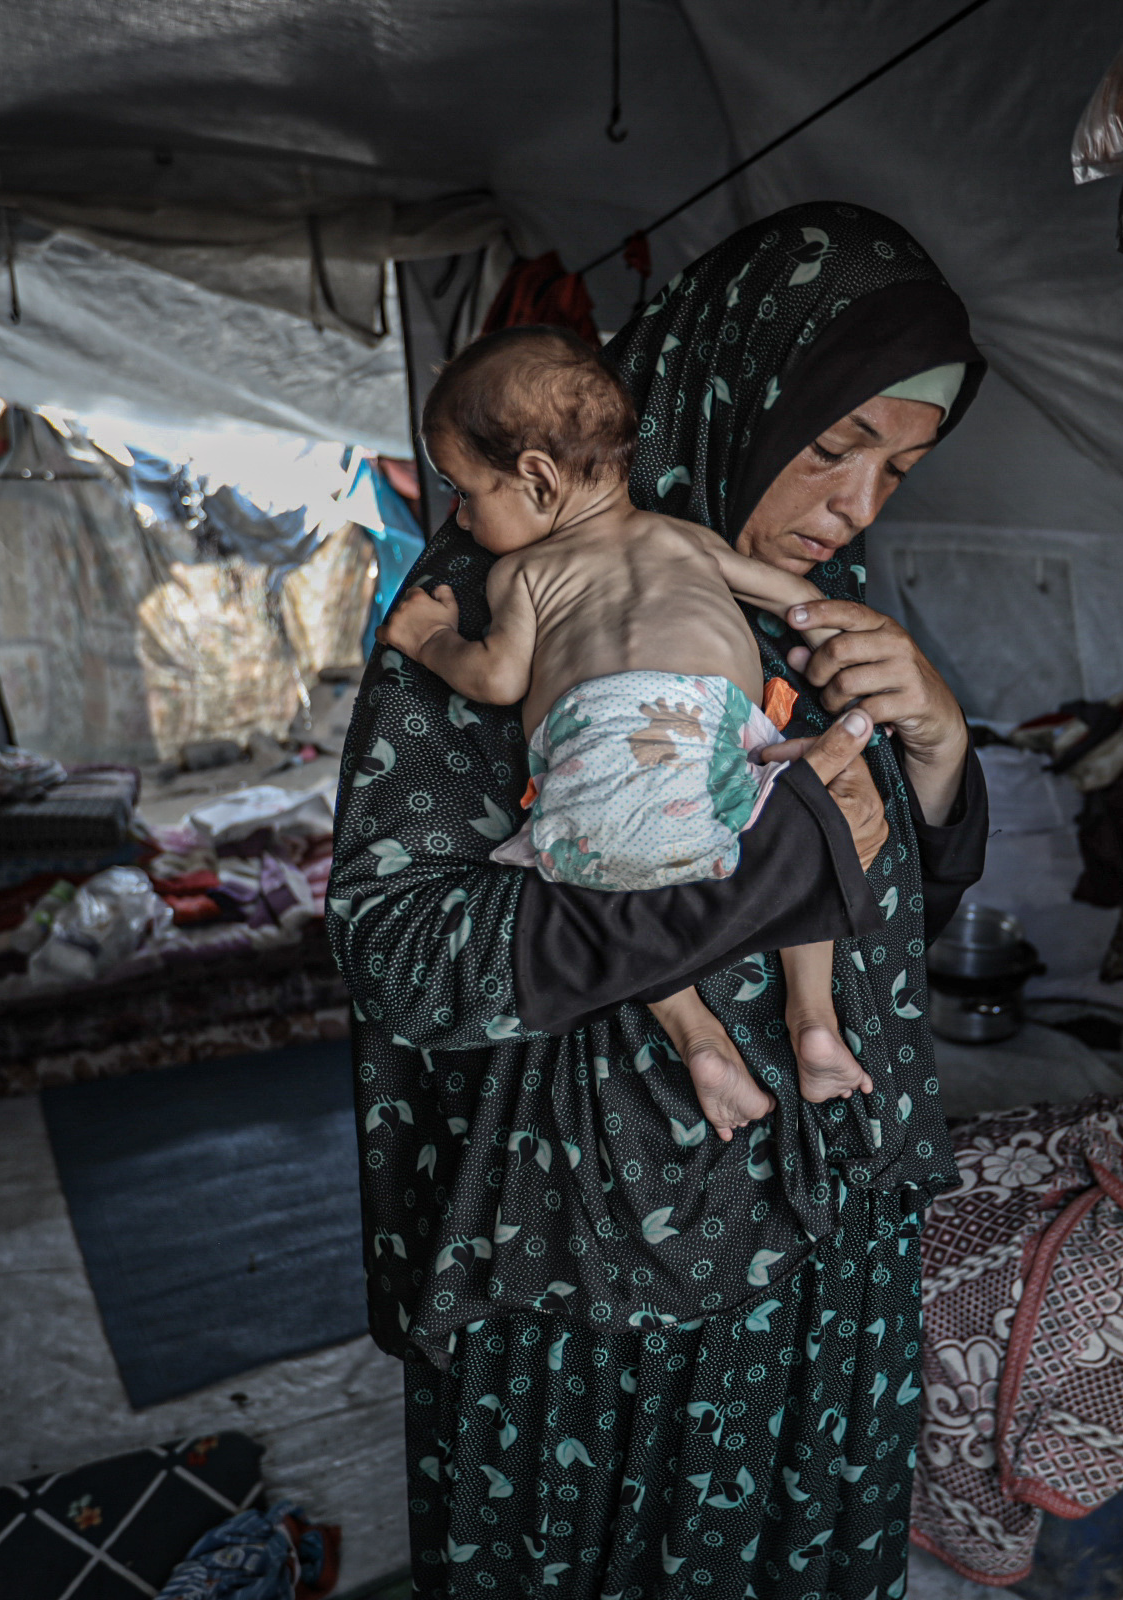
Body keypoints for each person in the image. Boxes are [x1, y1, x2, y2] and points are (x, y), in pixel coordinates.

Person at [329, 200, 988, 1600]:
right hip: (592, 1245)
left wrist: (939, 741)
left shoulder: (819, 598)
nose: (854, 510)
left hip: (825, 1227)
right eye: (833, 450)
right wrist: (756, 872)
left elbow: (898, 895)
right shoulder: (502, 597)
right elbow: (401, 952)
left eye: (900, 472)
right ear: (727, 384)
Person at [378, 324, 873, 1138]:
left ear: (536, 479)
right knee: (813, 828)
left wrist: (428, 639)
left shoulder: (523, 572)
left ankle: (698, 1039)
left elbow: (498, 678)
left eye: (466, 491)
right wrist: (845, 637)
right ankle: (814, 1021)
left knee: (610, 896)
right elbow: (795, 601)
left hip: (594, 801)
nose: (461, 521)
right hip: (713, 770)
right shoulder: (686, 540)